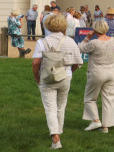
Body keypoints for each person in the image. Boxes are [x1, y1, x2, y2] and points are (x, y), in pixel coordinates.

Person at [33, 13, 83, 149]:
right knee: (61, 106)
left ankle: (56, 137)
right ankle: (58, 132)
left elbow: (35, 63)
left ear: (48, 26)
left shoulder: (42, 42)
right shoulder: (70, 41)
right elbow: (78, 62)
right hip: (65, 77)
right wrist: (69, 72)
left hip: (47, 77)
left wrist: (37, 78)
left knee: (50, 108)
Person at [79, 19, 114, 134]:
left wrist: (88, 37)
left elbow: (80, 48)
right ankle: (105, 127)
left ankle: (96, 120)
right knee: (109, 99)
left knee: (90, 98)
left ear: (95, 30)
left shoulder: (94, 43)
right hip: (111, 73)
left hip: (97, 72)